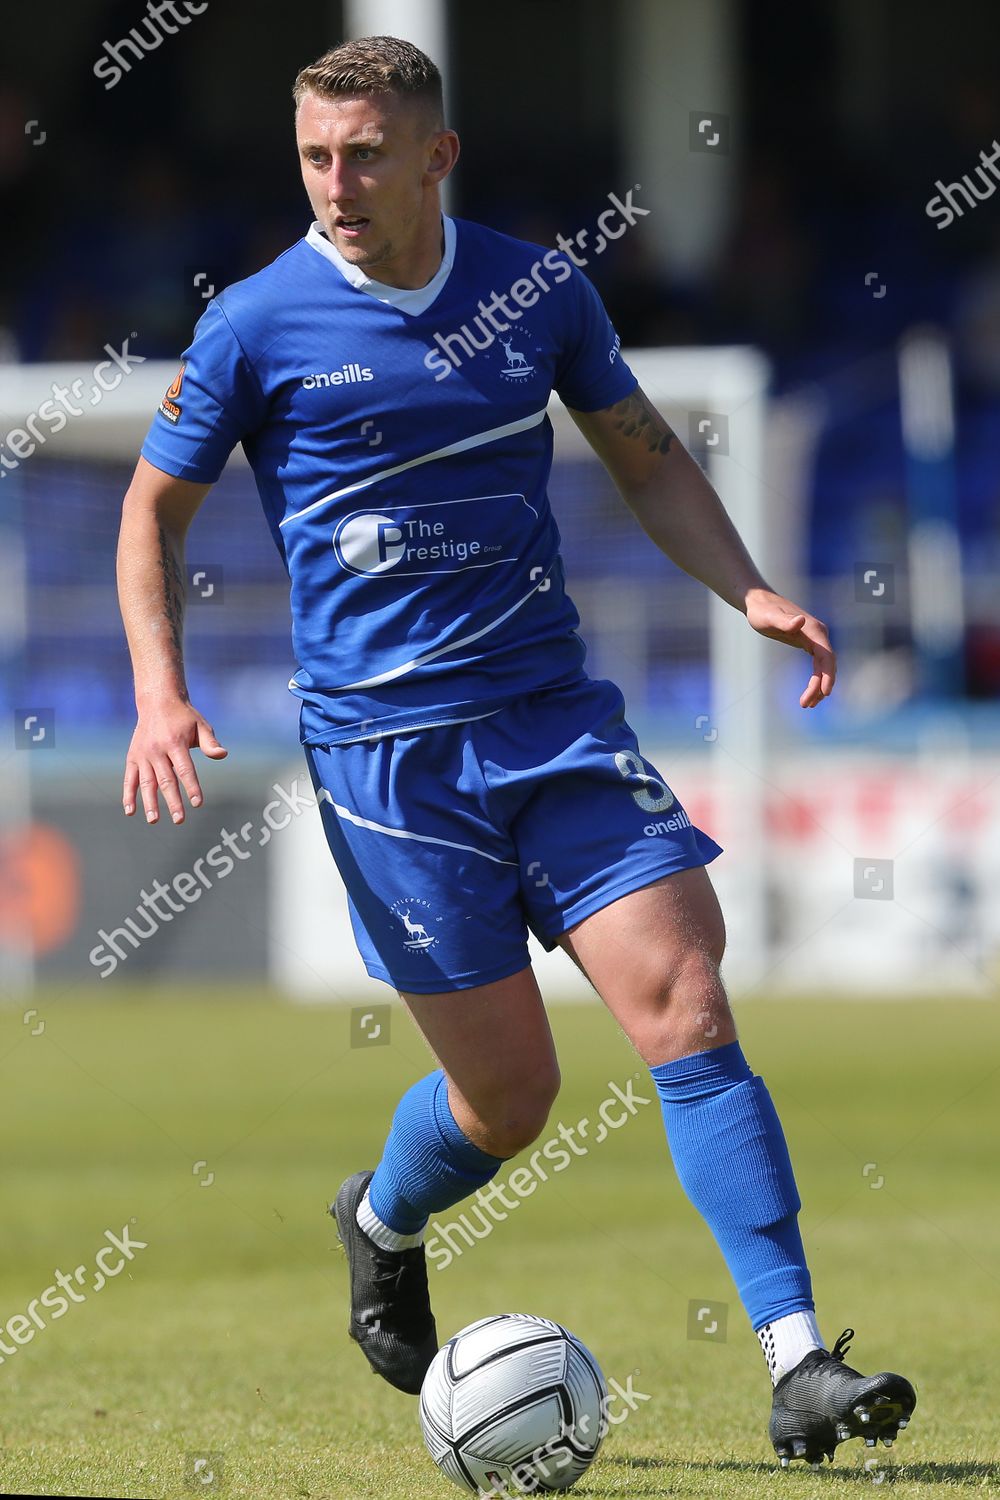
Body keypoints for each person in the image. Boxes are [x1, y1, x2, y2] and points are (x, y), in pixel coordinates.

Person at [116, 34, 915, 1469]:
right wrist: (159, 690)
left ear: (438, 155)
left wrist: (750, 589)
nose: (337, 184)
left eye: (366, 154)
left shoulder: (533, 288)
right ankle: (384, 1217)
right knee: (513, 1100)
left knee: (685, 997)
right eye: (314, 156)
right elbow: (151, 515)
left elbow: (647, 456)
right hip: (389, 768)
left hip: (553, 724)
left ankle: (799, 1361)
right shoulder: (252, 322)